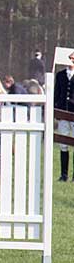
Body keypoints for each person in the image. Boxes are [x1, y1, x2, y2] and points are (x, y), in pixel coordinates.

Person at [54, 53, 74, 181]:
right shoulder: (60, 75)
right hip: (63, 112)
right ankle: (64, 174)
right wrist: (55, 110)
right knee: (63, 144)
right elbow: (57, 93)